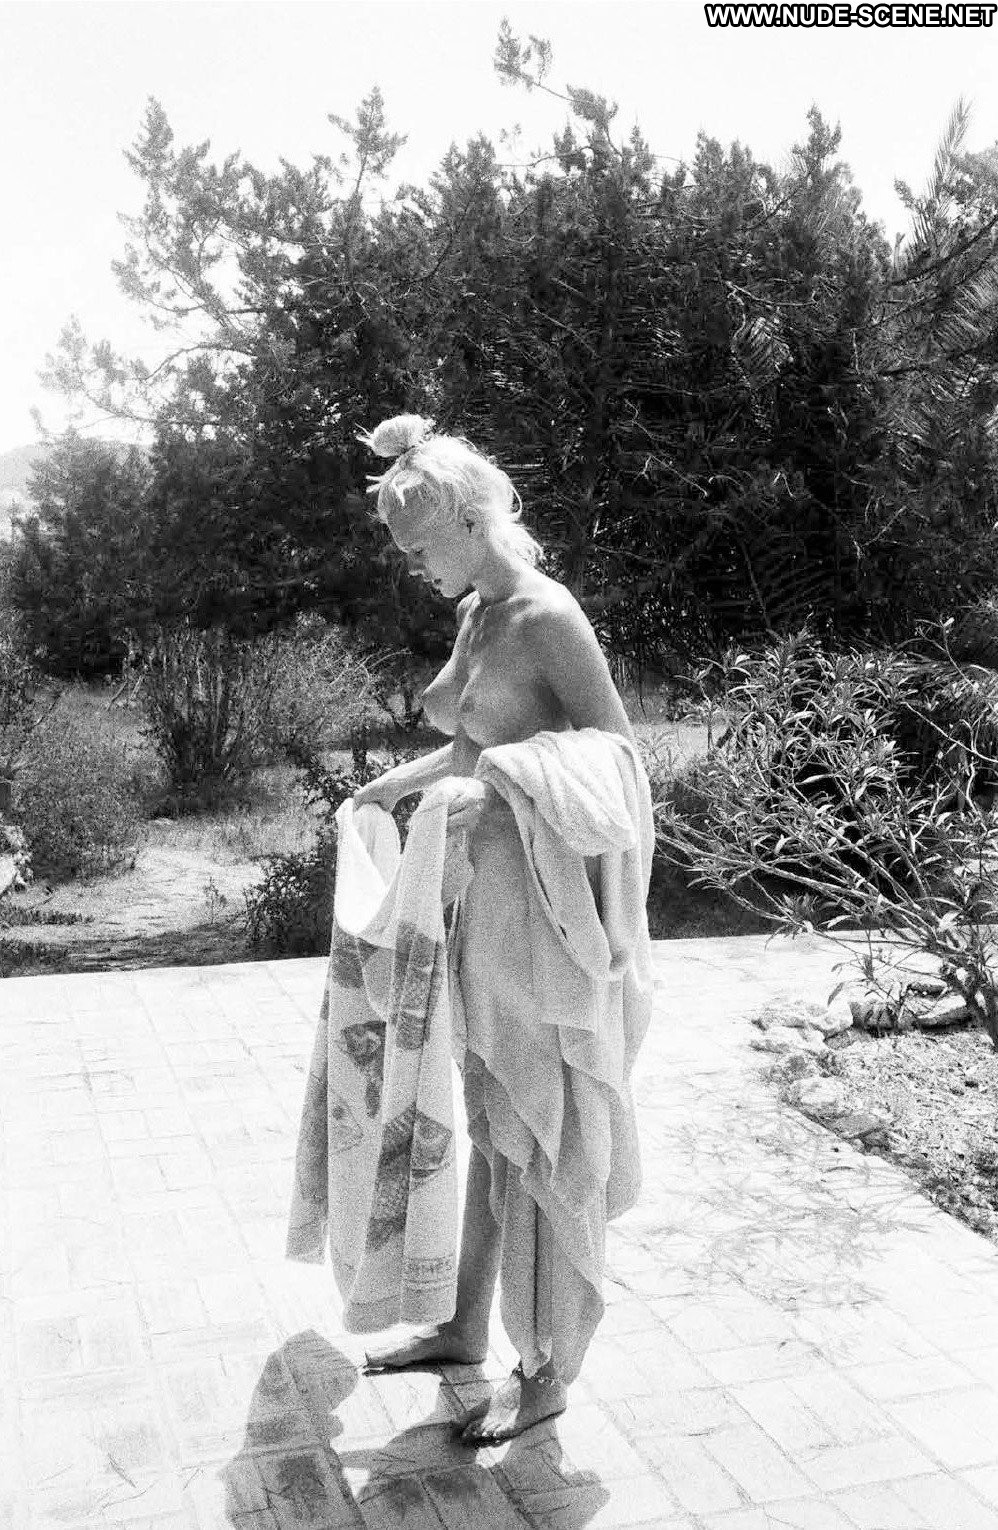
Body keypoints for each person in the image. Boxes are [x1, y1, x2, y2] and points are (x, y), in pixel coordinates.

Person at [350, 414, 650, 1445]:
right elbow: (471, 747)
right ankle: (462, 1328)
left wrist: (505, 789)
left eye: (420, 545)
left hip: (546, 921)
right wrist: (388, 787)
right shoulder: (476, 614)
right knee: (490, 1122)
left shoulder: (546, 614)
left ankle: (550, 1369)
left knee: (546, 1134)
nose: (413, 566)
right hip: (480, 909)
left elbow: (617, 758)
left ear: (472, 521)